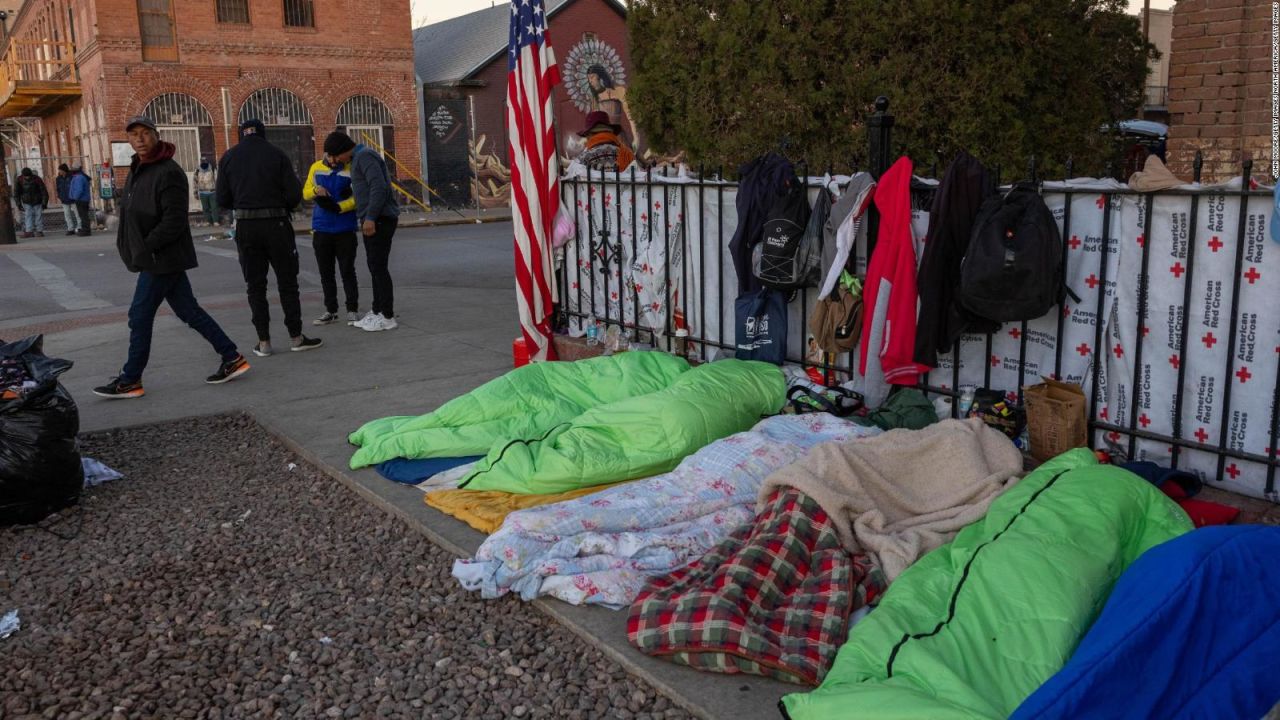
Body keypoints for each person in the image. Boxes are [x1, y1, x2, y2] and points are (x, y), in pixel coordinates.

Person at [93, 117, 250, 399]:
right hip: (155, 255)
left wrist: (146, 247)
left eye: (145, 133)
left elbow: (175, 221)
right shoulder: (138, 168)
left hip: (162, 257)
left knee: (139, 315)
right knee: (188, 311)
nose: (139, 139)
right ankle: (231, 356)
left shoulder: (169, 172)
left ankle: (130, 379)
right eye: (133, 135)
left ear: (156, 135)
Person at [216, 118, 322, 356]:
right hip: (276, 224)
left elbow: (222, 199)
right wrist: (278, 205)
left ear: (241, 134)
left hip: (245, 226)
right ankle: (296, 337)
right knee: (287, 282)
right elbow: (295, 195)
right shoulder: (277, 154)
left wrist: (244, 204)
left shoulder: (229, 157)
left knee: (255, 286)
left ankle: (264, 342)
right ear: (263, 134)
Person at [324, 131, 399, 332]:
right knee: (374, 265)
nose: (336, 160)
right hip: (374, 218)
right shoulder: (359, 157)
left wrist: (371, 217)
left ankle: (387, 316)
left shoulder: (364, 156)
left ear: (341, 150)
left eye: (335, 155)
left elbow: (378, 186)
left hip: (379, 219)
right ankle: (377, 311)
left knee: (378, 266)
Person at [303, 143, 361, 325]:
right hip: (321, 228)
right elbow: (305, 193)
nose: (334, 161)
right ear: (326, 155)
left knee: (347, 271)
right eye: (331, 157)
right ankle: (331, 310)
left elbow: (359, 197)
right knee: (326, 273)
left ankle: (352, 309)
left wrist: (341, 207)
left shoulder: (352, 169)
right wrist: (315, 190)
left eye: (337, 157)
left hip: (345, 228)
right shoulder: (316, 167)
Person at [15, 167, 48, 238]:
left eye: (28, 176)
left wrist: (44, 203)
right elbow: (16, 193)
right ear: (23, 175)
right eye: (26, 176)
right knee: (28, 216)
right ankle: (29, 231)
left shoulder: (37, 179)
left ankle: (39, 231)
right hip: (27, 201)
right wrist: (18, 204)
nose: (27, 178)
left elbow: (44, 191)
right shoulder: (19, 180)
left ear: (31, 174)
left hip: (37, 201)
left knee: (38, 215)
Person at [68, 163, 92, 237]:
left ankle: (86, 230)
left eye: (73, 169)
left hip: (81, 199)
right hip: (83, 199)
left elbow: (79, 189)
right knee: (83, 215)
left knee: (83, 215)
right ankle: (85, 229)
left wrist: (75, 197)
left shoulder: (79, 177)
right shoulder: (79, 177)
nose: (71, 170)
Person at [194, 158, 219, 227]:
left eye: (205, 160)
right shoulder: (197, 170)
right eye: (202, 160)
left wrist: (218, 191)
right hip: (202, 193)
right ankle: (208, 221)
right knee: (205, 208)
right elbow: (195, 182)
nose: (203, 162)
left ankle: (216, 221)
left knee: (214, 207)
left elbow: (217, 180)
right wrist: (195, 192)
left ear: (207, 161)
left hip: (212, 192)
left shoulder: (212, 169)